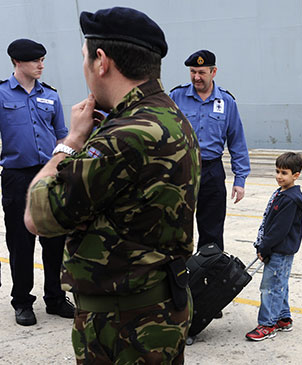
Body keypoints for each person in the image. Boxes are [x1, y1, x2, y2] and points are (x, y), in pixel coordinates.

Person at [23, 7, 200, 364]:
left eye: (85, 58)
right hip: (157, 308)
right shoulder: (168, 115)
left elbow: (37, 215)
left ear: (101, 61)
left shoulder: (124, 136)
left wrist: (70, 143)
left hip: (122, 325)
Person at [0, 38, 74, 326]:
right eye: (35, 61)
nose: (41, 65)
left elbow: (61, 135)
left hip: (50, 174)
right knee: (20, 240)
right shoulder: (2, 94)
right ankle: (22, 301)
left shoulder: (51, 96)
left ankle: (55, 298)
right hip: (17, 177)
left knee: (54, 239)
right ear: (18, 62)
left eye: (43, 60)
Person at [170, 50, 250, 251]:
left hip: (212, 171)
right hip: (182, 169)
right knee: (176, 228)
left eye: (201, 72)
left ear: (213, 72)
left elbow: (237, 141)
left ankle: (208, 276)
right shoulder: (175, 97)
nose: (196, 77)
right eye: (193, 72)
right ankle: (178, 276)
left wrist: (240, 180)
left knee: (212, 231)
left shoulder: (226, 102)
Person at [245, 152, 302, 341]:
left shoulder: (290, 199)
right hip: (278, 248)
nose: (279, 176)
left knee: (270, 287)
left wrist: (264, 248)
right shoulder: (282, 192)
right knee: (279, 283)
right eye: (277, 171)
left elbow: (278, 230)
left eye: (284, 173)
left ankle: (267, 325)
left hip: (279, 250)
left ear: (296, 175)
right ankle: (282, 318)